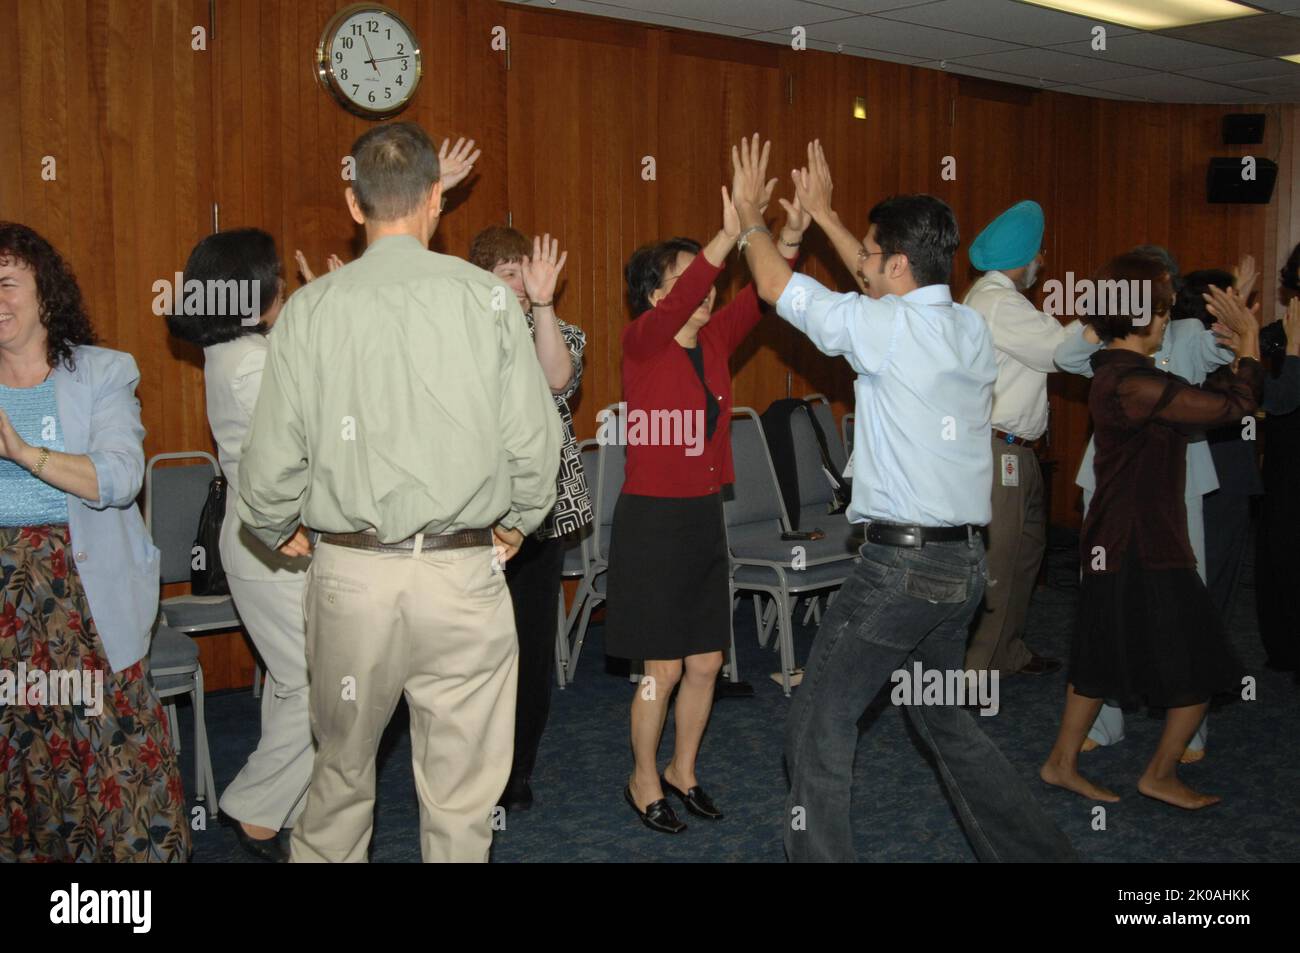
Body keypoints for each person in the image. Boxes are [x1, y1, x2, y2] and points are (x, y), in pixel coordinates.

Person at [730, 137, 1074, 862]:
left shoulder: (884, 330)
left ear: (894, 264)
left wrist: (749, 220)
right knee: (946, 721)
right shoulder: (969, 327)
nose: (862, 263)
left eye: (872, 254)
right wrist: (823, 214)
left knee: (818, 725)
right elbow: (875, 273)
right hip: (962, 570)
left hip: (899, 572)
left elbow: (771, 287)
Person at [237, 122, 562, 863]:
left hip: (352, 578)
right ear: (437, 196)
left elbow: (270, 461)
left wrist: (273, 519)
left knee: (341, 774)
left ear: (354, 204)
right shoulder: (488, 301)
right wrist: (512, 526)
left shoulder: (312, 310)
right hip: (463, 576)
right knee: (460, 801)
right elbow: (534, 445)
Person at [608, 148, 800, 834]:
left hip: (700, 520)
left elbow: (764, 294)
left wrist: (789, 232)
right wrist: (732, 227)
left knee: (708, 660)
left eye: (704, 276)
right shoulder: (644, 342)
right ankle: (641, 776)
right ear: (658, 296)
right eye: (684, 279)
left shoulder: (712, 341)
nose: (704, 289)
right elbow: (701, 287)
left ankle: (684, 769)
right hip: (652, 523)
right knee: (661, 663)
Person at [1040, 258, 1259, 810]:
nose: (1167, 315)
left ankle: (1061, 763)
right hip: (1140, 540)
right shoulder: (1132, 380)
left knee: (1097, 655)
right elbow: (1234, 406)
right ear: (1141, 316)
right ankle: (1155, 773)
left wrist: (1235, 343)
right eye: (1160, 306)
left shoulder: (1114, 367)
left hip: (1123, 534)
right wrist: (1251, 341)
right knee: (1205, 660)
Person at [0, 222, 189, 861]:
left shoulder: (102, 372)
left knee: (114, 757)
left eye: (6, 283)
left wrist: (25, 453)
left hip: (82, 598)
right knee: (22, 760)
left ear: (45, 293)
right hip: (5, 608)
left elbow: (119, 476)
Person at [165, 229, 313, 862]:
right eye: (276, 275)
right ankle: (253, 808)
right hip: (274, 539)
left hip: (261, 537)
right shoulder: (253, 358)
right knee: (317, 684)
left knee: (293, 680)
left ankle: (295, 807)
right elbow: (297, 448)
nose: (284, 283)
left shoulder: (235, 350)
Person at [468, 225, 591, 812]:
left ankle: (517, 772)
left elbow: (557, 381)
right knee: (473, 656)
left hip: (538, 522)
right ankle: (469, 771)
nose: (519, 282)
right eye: (507, 272)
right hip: (470, 523)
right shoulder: (458, 335)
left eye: (526, 270)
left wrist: (540, 305)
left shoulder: (557, 330)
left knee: (530, 649)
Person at [962, 200, 1064, 677]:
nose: (1042, 263)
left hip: (1015, 452)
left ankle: (1009, 652)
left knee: (1024, 555)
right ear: (1024, 256)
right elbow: (1062, 349)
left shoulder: (994, 300)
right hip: (1000, 450)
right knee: (1001, 564)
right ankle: (978, 674)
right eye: (1039, 254)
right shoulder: (999, 304)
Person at [1183, 269, 1300, 627]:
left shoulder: (1185, 340)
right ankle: (1204, 667)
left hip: (1207, 474)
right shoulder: (1217, 351)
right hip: (1223, 476)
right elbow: (1280, 399)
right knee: (1213, 576)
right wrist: (1294, 346)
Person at [1256, 242, 1300, 674]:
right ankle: (1284, 647)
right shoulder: (1280, 331)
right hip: (1288, 452)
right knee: (1281, 545)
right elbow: (1269, 394)